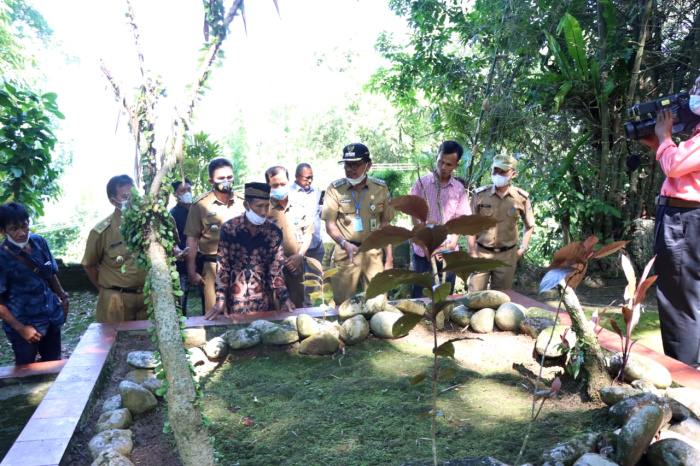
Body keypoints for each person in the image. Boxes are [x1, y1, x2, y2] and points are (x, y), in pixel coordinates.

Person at [640, 75, 700, 367]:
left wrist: (665, 137)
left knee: (678, 298)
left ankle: (683, 371)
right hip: (682, 216)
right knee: (684, 292)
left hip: (686, 219)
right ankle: (690, 365)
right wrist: (658, 144)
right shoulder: (695, 134)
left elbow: (675, 167)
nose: (693, 95)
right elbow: (678, 168)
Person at [204, 182, 295, 319]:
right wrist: (220, 299)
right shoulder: (229, 229)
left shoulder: (273, 232)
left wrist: (285, 298)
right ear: (246, 206)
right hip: (234, 302)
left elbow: (276, 270)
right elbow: (223, 267)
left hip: (264, 302)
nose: (264, 212)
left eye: (267, 206)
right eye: (259, 206)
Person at [322, 143, 395, 305]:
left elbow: (386, 225)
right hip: (346, 253)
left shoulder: (380, 188)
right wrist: (344, 243)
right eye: (347, 165)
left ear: (368, 165)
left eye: (355, 164)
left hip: (374, 253)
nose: (350, 169)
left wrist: (389, 258)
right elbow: (330, 225)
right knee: (343, 304)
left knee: (377, 304)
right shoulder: (335, 189)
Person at [0, 203, 69, 365]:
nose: (22, 233)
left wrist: (63, 297)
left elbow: (50, 273)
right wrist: (22, 329)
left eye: (25, 226)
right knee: (26, 370)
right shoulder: (2, 258)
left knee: (52, 365)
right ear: (3, 231)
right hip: (24, 324)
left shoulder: (39, 242)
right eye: (14, 228)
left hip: (51, 317)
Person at [82, 175, 148, 322]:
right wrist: (106, 291)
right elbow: (89, 265)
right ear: (113, 201)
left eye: (134, 195)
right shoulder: (102, 231)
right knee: (117, 342)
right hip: (117, 300)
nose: (132, 200)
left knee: (149, 342)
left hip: (147, 298)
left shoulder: (148, 224)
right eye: (126, 196)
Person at [409, 140, 471, 298]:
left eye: (449, 165)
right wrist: (425, 244)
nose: (443, 167)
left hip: (448, 253)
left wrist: (451, 245)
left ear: (456, 165)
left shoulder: (458, 189)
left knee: (444, 296)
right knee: (420, 295)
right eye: (440, 162)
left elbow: (461, 221)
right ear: (436, 157)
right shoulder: (421, 184)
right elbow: (414, 215)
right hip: (422, 252)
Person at [184, 158, 246, 313]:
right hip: (213, 267)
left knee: (243, 313)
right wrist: (191, 272)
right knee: (216, 314)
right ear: (211, 181)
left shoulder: (243, 202)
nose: (226, 181)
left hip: (242, 266)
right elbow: (191, 239)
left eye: (229, 177)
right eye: (221, 178)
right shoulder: (200, 205)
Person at [467, 154, 535, 291]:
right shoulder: (480, 195)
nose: (497, 174)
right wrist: (472, 252)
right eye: (494, 170)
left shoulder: (521, 198)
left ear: (513, 174)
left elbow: (529, 225)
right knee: (474, 298)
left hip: (507, 256)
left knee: (501, 301)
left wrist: (522, 249)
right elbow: (470, 225)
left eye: (502, 171)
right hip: (481, 254)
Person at [265, 166, 314, 308]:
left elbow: (308, 232)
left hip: (296, 266)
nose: (280, 188)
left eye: (283, 184)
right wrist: (283, 260)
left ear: (289, 181)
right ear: (268, 185)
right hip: (271, 267)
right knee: (273, 308)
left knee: (297, 304)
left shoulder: (300, 204)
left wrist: (299, 256)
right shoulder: (263, 208)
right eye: (275, 185)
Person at [290, 163, 325, 306]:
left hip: (315, 244)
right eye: (306, 178)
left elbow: (322, 214)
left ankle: (309, 308)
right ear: (297, 177)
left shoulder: (317, 194)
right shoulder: (288, 193)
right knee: (295, 281)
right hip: (296, 245)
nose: (309, 181)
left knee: (313, 280)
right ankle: (295, 309)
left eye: (311, 178)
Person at [170, 177, 193, 315]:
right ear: (175, 194)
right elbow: (172, 240)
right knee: (181, 297)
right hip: (182, 263)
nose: (187, 193)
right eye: (182, 190)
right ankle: (182, 324)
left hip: (200, 261)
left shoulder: (198, 210)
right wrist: (176, 250)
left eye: (189, 189)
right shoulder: (172, 214)